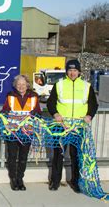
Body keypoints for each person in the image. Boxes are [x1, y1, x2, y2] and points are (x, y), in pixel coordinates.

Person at [47, 59, 98, 192]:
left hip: (78, 127)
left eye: (75, 70)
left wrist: (89, 115)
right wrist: (55, 114)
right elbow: (50, 103)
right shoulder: (59, 85)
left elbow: (94, 104)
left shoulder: (87, 86)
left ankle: (76, 182)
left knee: (76, 155)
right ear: (66, 71)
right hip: (60, 126)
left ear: (79, 71)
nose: (72, 73)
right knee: (58, 154)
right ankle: (55, 182)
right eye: (70, 70)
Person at [1, 75, 41, 191]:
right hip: (12, 131)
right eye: (18, 84)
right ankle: (13, 179)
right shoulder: (10, 96)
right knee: (12, 156)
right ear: (15, 85)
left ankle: (20, 179)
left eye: (23, 84)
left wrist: (35, 116)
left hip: (27, 131)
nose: (21, 86)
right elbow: (4, 111)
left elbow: (38, 112)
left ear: (27, 85)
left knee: (23, 157)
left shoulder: (34, 96)